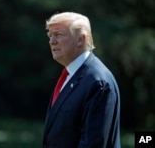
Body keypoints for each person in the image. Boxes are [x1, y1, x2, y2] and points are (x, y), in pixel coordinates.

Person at [43, 12, 121, 148]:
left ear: (80, 39)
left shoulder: (97, 82)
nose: (52, 41)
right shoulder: (71, 75)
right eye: (50, 35)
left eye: (58, 35)